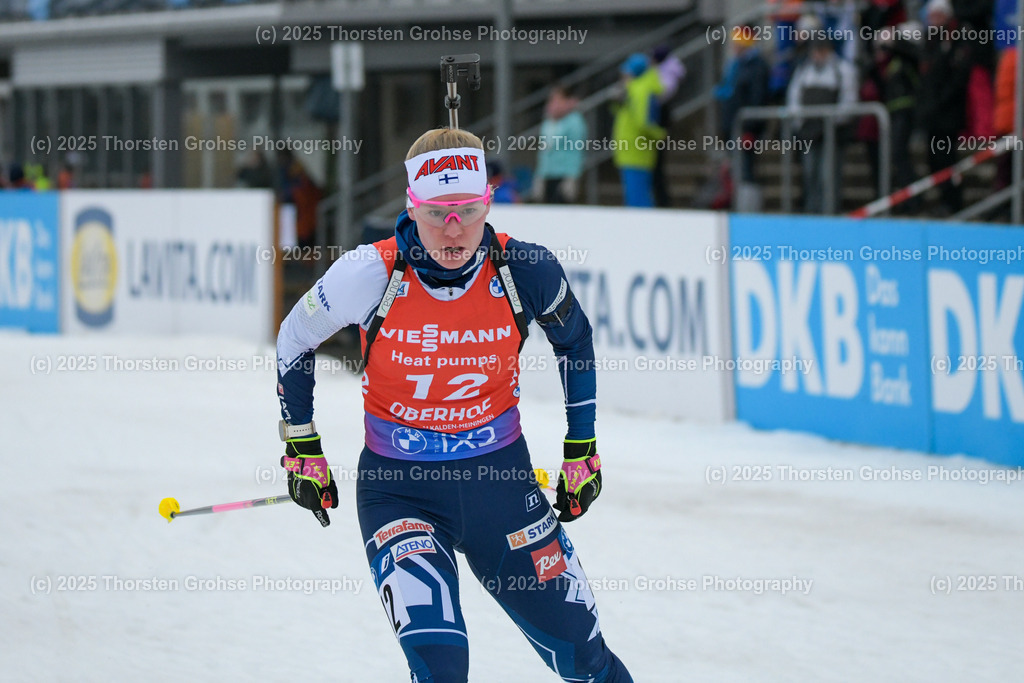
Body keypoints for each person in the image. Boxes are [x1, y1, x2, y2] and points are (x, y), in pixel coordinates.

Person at [274, 128, 633, 683]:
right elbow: (295, 338)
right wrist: (302, 444)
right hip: (400, 492)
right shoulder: (370, 274)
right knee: (442, 670)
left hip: (504, 491)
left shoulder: (525, 270)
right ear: (411, 207)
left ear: (487, 203)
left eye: (467, 209)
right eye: (438, 211)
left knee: (587, 663)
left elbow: (575, 342)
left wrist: (582, 447)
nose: (453, 227)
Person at [787, 36, 858, 213]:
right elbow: (793, 97)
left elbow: (849, 100)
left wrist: (831, 121)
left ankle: (829, 211)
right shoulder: (804, 70)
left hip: (831, 132)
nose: (817, 54)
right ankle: (813, 210)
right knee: (810, 173)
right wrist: (801, 121)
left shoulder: (842, 70)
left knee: (829, 174)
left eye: (820, 50)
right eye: (814, 51)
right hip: (809, 131)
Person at [611, 53, 665, 207]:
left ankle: (645, 229)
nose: (624, 74)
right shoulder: (635, 88)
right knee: (637, 195)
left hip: (635, 151)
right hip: (632, 150)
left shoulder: (640, 90)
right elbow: (624, 114)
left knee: (638, 199)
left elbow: (643, 122)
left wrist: (660, 134)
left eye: (627, 71)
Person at [534, 85, 588, 203]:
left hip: (565, 174)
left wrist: (572, 176)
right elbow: (545, 149)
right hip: (548, 173)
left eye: (558, 100)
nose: (554, 104)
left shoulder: (574, 121)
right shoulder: (549, 122)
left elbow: (574, 148)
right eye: (552, 100)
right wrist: (540, 174)